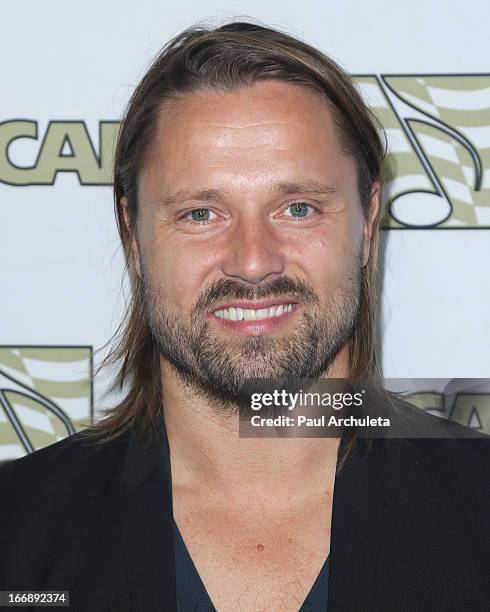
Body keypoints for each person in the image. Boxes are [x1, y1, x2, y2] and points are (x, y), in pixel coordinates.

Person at [1, 21, 489, 612]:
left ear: (366, 223)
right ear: (132, 233)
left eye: (298, 207)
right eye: (201, 214)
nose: (253, 262)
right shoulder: (16, 531)